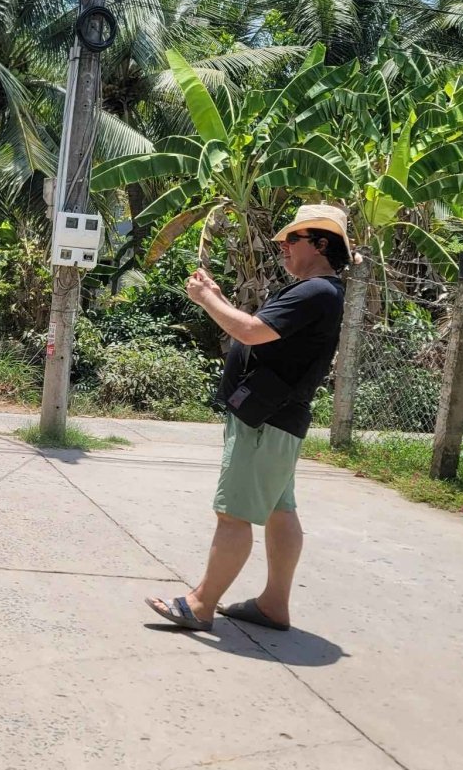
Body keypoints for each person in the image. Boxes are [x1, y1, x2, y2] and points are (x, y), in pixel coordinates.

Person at [146, 204, 352, 633]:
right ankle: (273, 604)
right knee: (280, 510)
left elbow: (251, 331)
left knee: (234, 514)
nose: (281, 246)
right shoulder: (320, 292)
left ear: (320, 244)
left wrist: (206, 301)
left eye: (290, 240)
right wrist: (218, 297)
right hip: (277, 417)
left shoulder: (316, 291)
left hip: (266, 420)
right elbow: (257, 327)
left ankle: (200, 604)